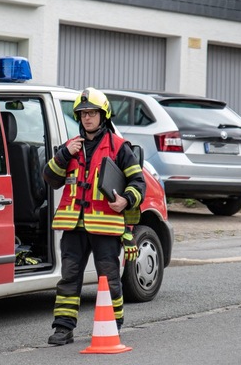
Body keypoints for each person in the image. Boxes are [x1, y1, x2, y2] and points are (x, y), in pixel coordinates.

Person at [43, 87, 145, 346]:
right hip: (73, 224)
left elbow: (138, 181)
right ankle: (63, 328)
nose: (87, 118)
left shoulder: (120, 148)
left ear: (103, 115)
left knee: (109, 277)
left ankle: (113, 324)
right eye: (83, 114)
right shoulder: (70, 147)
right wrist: (65, 154)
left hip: (106, 226)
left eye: (92, 113)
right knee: (69, 277)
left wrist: (127, 199)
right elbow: (50, 178)